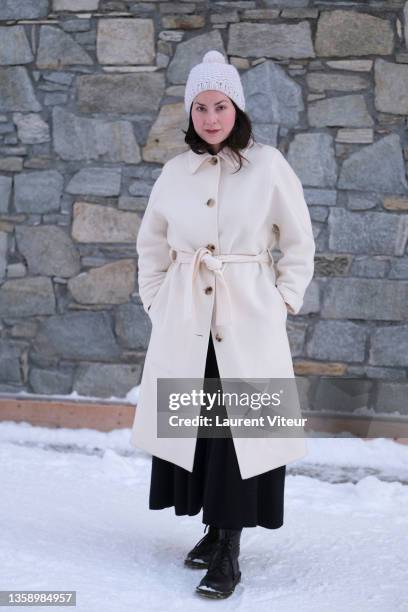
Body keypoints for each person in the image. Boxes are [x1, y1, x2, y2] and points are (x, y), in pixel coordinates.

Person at [131, 49, 316, 599]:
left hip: (248, 318)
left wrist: (282, 298)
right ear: (190, 114)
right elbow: (151, 245)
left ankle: (230, 550)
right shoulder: (174, 172)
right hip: (186, 318)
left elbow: (299, 240)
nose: (211, 118)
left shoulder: (268, 164)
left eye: (221, 106)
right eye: (201, 108)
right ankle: (212, 530)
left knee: (244, 433)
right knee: (202, 431)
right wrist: (156, 300)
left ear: (237, 108)